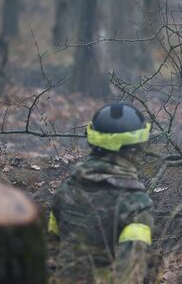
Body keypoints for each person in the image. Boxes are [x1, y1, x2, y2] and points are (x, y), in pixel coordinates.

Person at [48, 103, 158, 283]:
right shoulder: (136, 205)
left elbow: (50, 255)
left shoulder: (65, 191)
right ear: (136, 148)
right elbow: (130, 276)